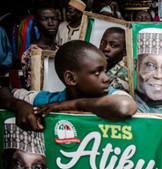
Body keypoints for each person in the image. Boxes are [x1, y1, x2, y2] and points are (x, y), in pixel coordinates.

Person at [0, 40, 137, 131]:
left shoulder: (113, 96)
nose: (107, 78)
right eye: (97, 72)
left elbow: (125, 107)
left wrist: (70, 105)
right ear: (70, 78)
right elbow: (4, 91)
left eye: (105, 71)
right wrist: (18, 105)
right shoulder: (47, 102)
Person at [21, 3, 60, 89]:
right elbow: (32, 87)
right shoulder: (30, 53)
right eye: (45, 19)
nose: (50, 23)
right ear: (36, 23)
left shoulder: (61, 50)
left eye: (54, 18)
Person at [99, 27, 129, 93]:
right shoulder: (95, 66)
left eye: (113, 45)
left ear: (125, 52)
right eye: (102, 43)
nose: (105, 48)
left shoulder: (123, 76)